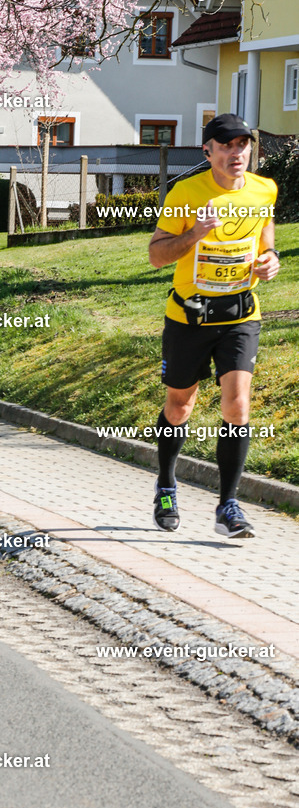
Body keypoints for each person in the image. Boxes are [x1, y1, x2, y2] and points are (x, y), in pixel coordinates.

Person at [148, 113, 280, 539]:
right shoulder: (185, 194)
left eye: (243, 145)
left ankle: (228, 506)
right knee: (179, 407)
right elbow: (156, 255)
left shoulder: (264, 189)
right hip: (189, 316)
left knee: (237, 407)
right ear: (208, 152)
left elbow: (266, 230)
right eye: (226, 145)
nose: (236, 153)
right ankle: (166, 486)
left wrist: (270, 258)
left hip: (241, 314)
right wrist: (194, 234)